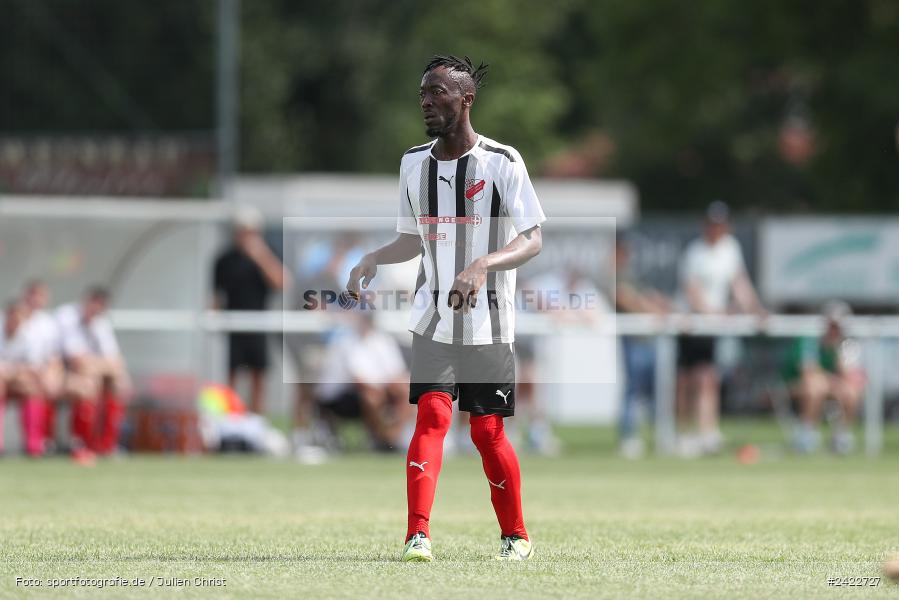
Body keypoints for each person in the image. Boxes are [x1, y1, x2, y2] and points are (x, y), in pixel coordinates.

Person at [347, 55, 545, 562]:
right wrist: (373, 257)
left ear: (466, 99)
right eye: (422, 93)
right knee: (432, 418)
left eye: (437, 92)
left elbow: (532, 239)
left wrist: (482, 265)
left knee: (486, 431)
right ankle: (417, 535)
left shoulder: (503, 161)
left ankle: (516, 536)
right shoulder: (413, 163)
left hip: (489, 323)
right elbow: (410, 240)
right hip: (432, 319)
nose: (426, 102)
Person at [676, 201, 765, 456]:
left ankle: (707, 432)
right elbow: (692, 291)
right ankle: (683, 433)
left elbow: (739, 283)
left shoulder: (730, 248)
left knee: (708, 378)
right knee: (687, 381)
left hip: (712, 326)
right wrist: (713, 313)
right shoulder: (695, 253)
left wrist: (755, 309)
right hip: (693, 324)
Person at [213, 206, 287, 415]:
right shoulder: (224, 260)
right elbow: (216, 296)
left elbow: (281, 282)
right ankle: (229, 419)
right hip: (233, 325)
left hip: (259, 324)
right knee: (231, 375)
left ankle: (256, 419)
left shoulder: (267, 255)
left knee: (258, 376)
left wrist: (260, 256)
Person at [316, 312, 413, 451]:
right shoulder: (345, 341)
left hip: (374, 391)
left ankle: (393, 438)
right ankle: (382, 439)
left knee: (407, 393)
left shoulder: (382, 340)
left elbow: (397, 373)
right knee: (372, 397)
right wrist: (383, 389)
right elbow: (359, 380)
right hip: (340, 397)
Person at [56, 286, 131, 461]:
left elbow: (115, 360)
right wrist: (101, 366)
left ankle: (106, 445)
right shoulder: (67, 316)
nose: (97, 310)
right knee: (88, 385)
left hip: (93, 373)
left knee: (119, 384)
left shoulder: (101, 323)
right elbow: (76, 360)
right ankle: (81, 443)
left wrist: (99, 367)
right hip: (63, 372)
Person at [613, 237, 671, 458]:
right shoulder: (616, 275)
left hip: (646, 340)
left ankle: (660, 435)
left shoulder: (632, 275)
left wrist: (659, 306)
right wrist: (651, 311)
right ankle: (629, 436)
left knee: (654, 389)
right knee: (633, 389)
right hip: (633, 339)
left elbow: (647, 297)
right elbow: (625, 298)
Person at [783, 301, 864, 454]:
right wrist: (832, 382)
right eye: (832, 325)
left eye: (838, 326)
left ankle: (841, 435)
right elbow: (808, 372)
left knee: (851, 392)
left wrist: (836, 351)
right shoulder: (809, 339)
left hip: (830, 385)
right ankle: (807, 433)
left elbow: (849, 375)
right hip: (798, 385)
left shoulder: (846, 343)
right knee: (815, 387)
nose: (834, 330)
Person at [0, 300, 48, 456]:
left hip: (19, 380)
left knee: (33, 389)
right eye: (12, 316)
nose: (15, 321)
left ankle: (34, 444)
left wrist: (13, 372)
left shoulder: (30, 335)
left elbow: (34, 366)